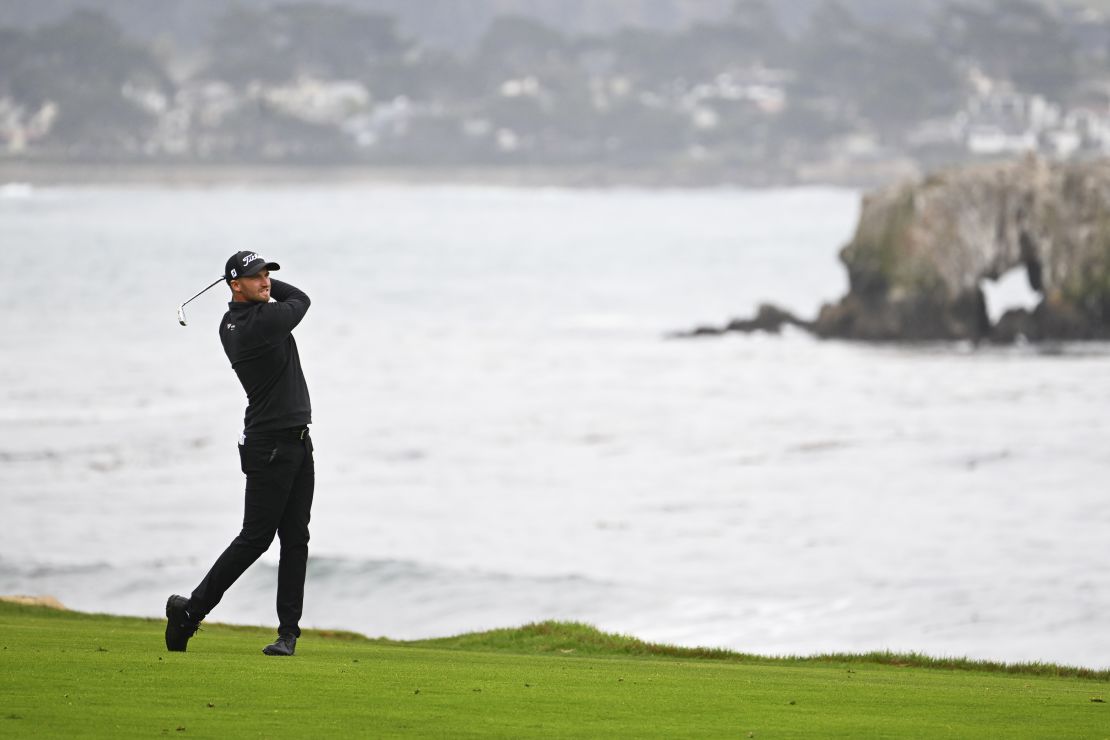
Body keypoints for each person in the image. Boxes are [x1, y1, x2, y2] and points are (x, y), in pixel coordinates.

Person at [165, 251, 315, 656]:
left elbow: (282, 297)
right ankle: (190, 612)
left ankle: (288, 635)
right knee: (255, 539)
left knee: (295, 538)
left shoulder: (233, 320)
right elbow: (300, 298)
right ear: (234, 284)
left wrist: (253, 285)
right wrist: (263, 292)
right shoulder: (260, 323)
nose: (266, 281)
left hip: (297, 440)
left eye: (268, 274)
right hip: (270, 446)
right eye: (256, 276)